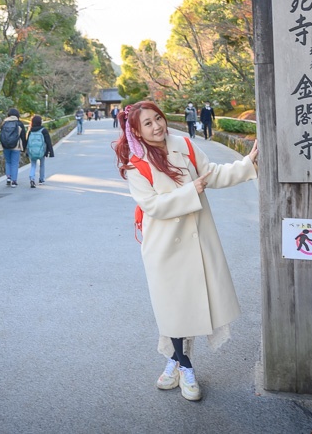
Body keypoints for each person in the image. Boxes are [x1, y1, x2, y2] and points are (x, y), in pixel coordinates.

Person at [113, 100, 259, 401]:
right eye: (148, 124)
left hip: (198, 240)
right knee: (172, 308)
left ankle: (174, 362)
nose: (157, 127)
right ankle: (186, 367)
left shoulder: (184, 145)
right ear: (137, 133)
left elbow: (212, 174)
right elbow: (152, 206)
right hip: (164, 247)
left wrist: (249, 163)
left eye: (158, 118)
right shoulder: (135, 165)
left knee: (189, 305)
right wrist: (190, 190)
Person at [23, 114, 54, 187]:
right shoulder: (43, 130)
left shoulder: (31, 131)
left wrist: (26, 151)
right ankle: (41, 179)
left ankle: (32, 178)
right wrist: (51, 152)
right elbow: (48, 141)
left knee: (33, 165)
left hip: (32, 151)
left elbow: (27, 142)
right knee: (42, 165)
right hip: (42, 151)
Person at [0, 108, 28, 188]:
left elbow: (1, 134)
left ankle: (8, 178)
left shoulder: (4, 123)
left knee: (8, 162)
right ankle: (14, 181)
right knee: (14, 163)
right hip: (16, 146)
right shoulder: (19, 123)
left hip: (5, 145)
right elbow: (23, 137)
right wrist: (24, 148)